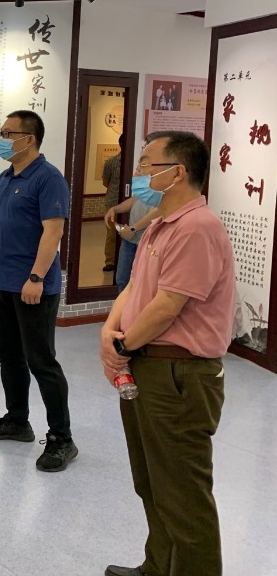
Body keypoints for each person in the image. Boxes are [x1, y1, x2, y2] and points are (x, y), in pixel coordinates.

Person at [100, 132, 234, 576]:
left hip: (179, 374)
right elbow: (135, 289)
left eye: (145, 164)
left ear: (176, 172)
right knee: (152, 483)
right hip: (148, 364)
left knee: (184, 497)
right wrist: (109, 331)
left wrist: (122, 346)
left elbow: (167, 306)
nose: (138, 173)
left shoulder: (198, 228)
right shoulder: (160, 223)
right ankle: (158, 567)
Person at [0, 110, 76, 472]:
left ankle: (62, 438)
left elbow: (54, 231)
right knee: (9, 356)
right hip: (2, 283)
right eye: (1, 132)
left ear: (28, 139)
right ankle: (17, 420)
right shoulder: (5, 177)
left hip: (33, 287)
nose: (1, 139)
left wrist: (36, 277)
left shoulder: (49, 178)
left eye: (7, 133)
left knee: (41, 361)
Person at [101, 135, 124, 273]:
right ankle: (110, 261)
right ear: (121, 144)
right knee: (112, 233)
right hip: (112, 201)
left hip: (128, 202)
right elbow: (105, 182)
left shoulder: (136, 162)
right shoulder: (111, 162)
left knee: (127, 231)